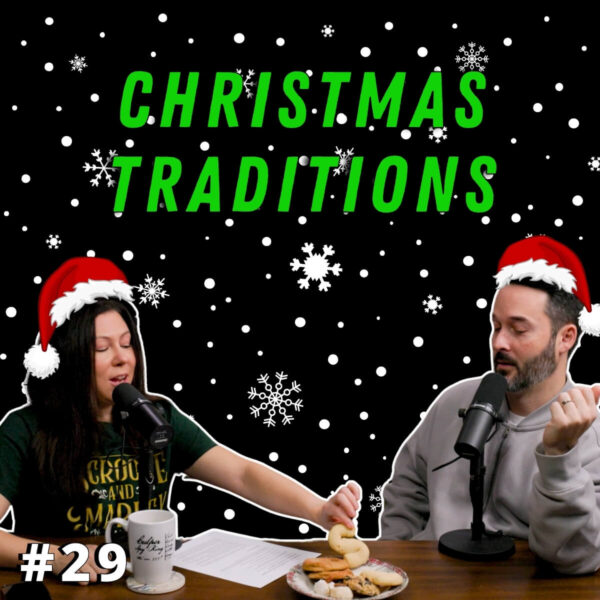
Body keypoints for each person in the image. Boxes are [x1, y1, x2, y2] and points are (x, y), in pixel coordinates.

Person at [0, 257, 361, 584]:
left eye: (127, 344)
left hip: (149, 583)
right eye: (101, 348)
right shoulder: (23, 430)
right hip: (63, 589)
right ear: (68, 358)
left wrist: (318, 509)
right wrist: (60, 559)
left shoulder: (156, 416)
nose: (122, 358)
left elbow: (241, 474)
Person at [379, 236, 600, 574]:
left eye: (518, 329)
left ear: (565, 338)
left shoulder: (589, 431)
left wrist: (560, 457)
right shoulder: (456, 399)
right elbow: (407, 488)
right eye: (496, 326)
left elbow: (578, 559)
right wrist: (401, 562)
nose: (499, 342)